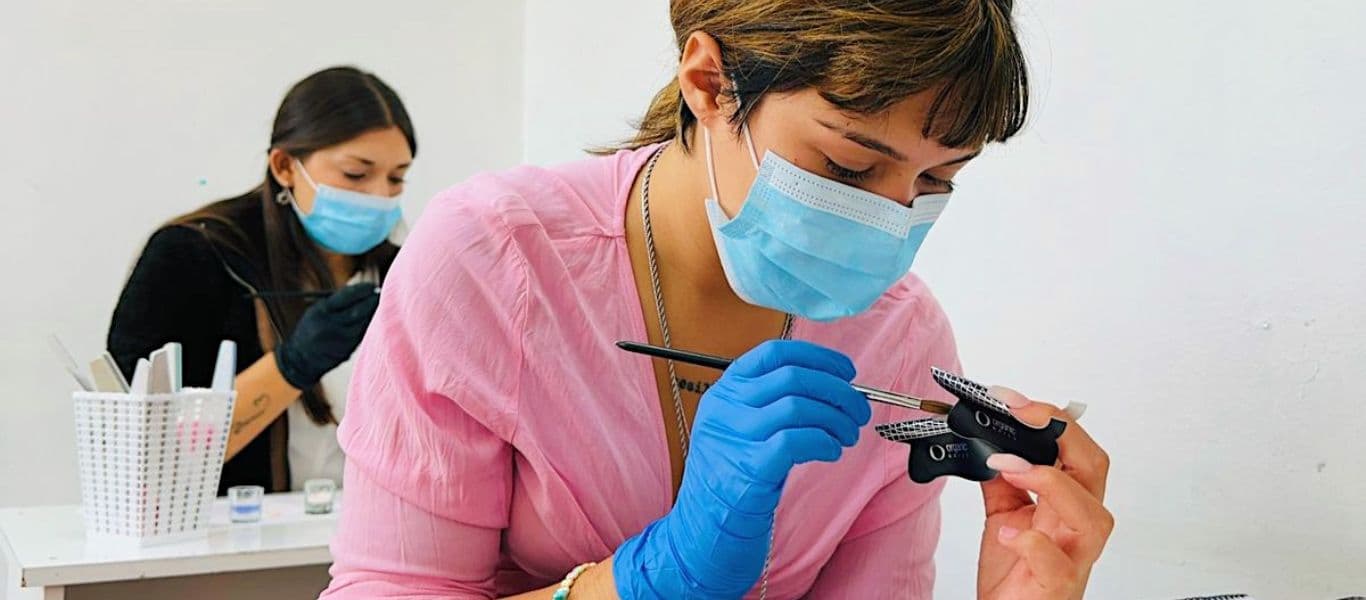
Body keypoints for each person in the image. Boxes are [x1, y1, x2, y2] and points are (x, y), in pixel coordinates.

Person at [323, 1, 1113, 598]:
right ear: (708, 83)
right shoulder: (495, 259)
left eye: (937, 180)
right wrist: (651, 578)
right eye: (845, 167)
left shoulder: (903, 338)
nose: (892, 218)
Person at [107, 66, 417, 494]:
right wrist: (291, 367)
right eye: (355, 174)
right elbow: (139, 447)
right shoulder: (195, 256)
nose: (381, 196)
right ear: (286, 166)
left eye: (397, 178)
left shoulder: (403, 273)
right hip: (235, 541)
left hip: (369, 535)